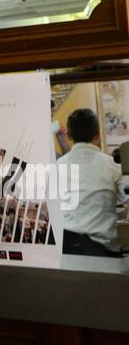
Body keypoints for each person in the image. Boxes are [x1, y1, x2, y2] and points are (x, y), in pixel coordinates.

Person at [58, 107, 123, 257]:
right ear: (98, 136)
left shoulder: (57, 166)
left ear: (68, 135)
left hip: (64, 249)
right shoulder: (113, 166)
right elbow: (124, 196)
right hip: (101, 252)